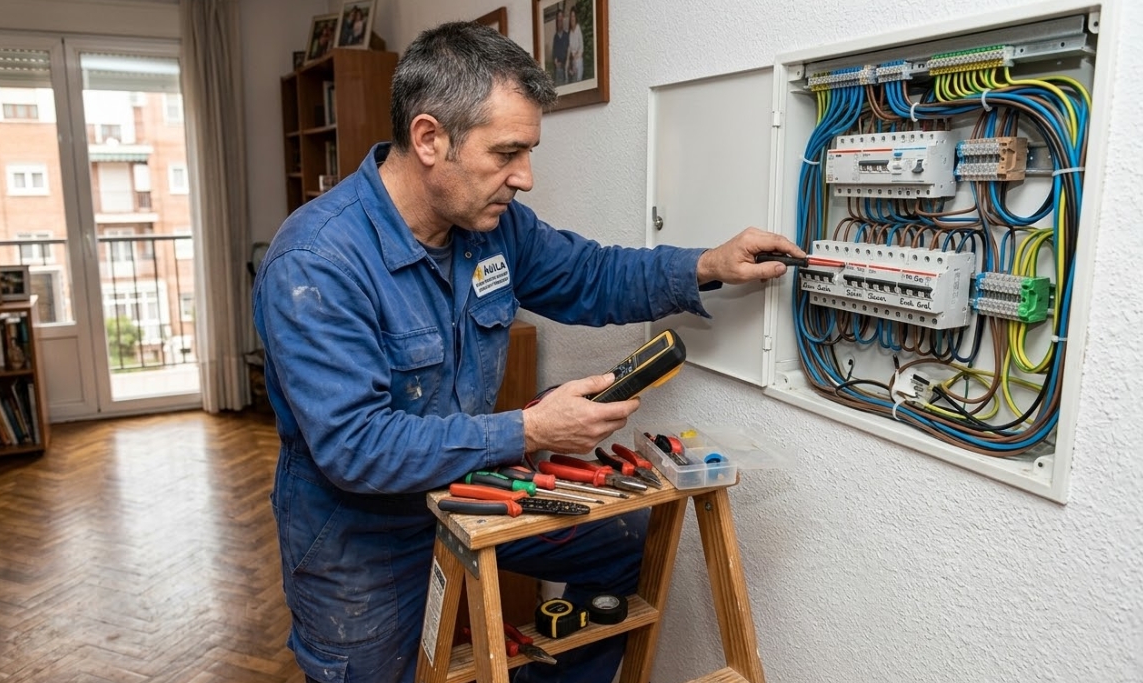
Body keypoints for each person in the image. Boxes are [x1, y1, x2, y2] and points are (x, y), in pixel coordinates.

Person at [253, 21, 804, 683]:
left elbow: (594, 276)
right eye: (508, 152)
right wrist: (532, 428)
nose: (527, 177)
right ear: (429, 138)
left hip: (469, 484)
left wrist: (708, 264)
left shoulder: (495, 227)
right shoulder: (316, 261)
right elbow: (357, 445)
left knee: (623, 549)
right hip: (362, 536)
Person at [551, 8, 569, 85]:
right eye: (559, 17)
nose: (560, 20)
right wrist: (555, 61)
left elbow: (568, 50)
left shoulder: (566, 35)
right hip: (558, 67)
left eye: (561, 17)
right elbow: (554, 51)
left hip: (566, 66)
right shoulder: (555, 37)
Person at [567, 9, 584, 82]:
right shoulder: (570, 32)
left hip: (579, 60)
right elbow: (570, 48)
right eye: (571, 16)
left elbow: (581, 46)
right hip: (573, 62)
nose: (572, 18)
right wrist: (569, 61)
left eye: (573, 16)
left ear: (576, 17)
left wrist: (577, 56)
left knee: (578, 81)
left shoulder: (578, 28)